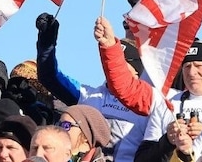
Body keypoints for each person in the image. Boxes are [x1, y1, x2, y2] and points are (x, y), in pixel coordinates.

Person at [94, 17, 202, 162]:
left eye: (199, 66)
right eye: (187, 67)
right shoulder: (166, 101)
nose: (191, 72)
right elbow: (127, 87)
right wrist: (167, 140)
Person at [36, 13, 148, 161]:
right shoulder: (89, 96)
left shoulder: (148, 103)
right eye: (109, 61)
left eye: (120, 63)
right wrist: (46, 43)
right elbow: (49, 76)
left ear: (136, 70)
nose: (111, 66)